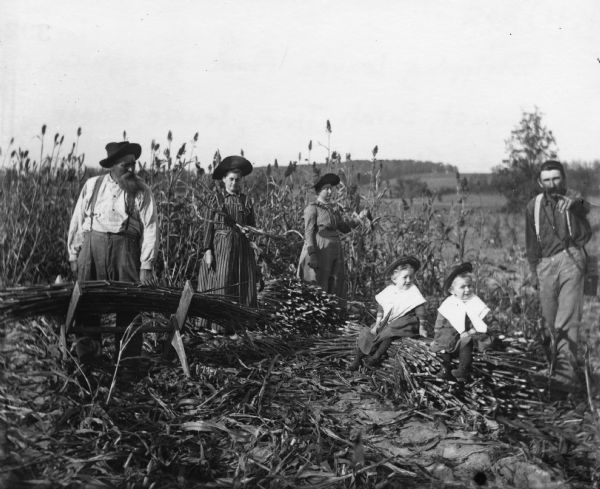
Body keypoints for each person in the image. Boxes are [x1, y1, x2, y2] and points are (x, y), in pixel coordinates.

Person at [67, 141, 158, 368]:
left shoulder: (141, 190)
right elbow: (78, 221)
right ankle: (90, 361)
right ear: (112, 166)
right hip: (92, 247)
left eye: (133, 165)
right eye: (124, 165)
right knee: (87, 303)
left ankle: (127, 363)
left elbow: (151, 227)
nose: (130, 170)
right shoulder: (92, 185)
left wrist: (146, 264)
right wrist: (73, 254)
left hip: (125, 250)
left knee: (128, 304)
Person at [525, 160, 592, 388]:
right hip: (545, 266)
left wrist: (574, 204)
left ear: (563, 178)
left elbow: (587, 207)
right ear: (539, 182)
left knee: (567, 321)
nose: (552, 184)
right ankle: (556, 369)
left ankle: (564, 382)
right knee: (551, 322)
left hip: (571, 260)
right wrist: (535, 271)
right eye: (547, 180)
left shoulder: (574, 199)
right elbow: (531, 243)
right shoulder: (532, 206)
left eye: (556, 178)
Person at [197, 155, 258, 333]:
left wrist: (249, 231)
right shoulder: (216, 200)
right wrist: (208, 250)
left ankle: (241, 324)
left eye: (237, 180)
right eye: (231, 179)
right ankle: (217, 326)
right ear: (224, 179)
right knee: (222, 282)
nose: (234, 183)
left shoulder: (246, 201)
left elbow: (252, 225)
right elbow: (208, 226)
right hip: (221, 246)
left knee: (243, 284)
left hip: (242, 249)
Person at [348, 256, 429, 370]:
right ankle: (357, 359)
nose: (408, 280)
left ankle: (376, 357)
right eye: (405, 277)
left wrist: (422, 328)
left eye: (411, 277)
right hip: (387, 321)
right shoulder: (390, 290)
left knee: (389, 333)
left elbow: (420, 310)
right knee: (368, 333)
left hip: (404, 323)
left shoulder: (413, 290)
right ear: (394, 278)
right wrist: (377, 324)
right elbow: (381, 307)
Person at [296, 173, 366, 300]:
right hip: (320, 251)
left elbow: (343, 227)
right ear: (319, 190)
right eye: (326, 188)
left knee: (334, 285)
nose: (330, 191)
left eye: (331, 188)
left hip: (334, 252)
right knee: (318, 284)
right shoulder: (312, 209)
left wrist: (359, 219)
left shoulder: (332, 210)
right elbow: (309, 233)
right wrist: (312, 255)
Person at [430, 263, 496, 382]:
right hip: (450, 335)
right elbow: (440, 321)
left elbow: (481, 321)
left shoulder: (474, 301)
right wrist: (438, 332)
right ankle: (445, 368)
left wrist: (471, 331)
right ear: (452, 290)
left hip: (468, 335)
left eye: (469, 286)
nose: (467, 290)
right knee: (443, 345)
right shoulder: (449, 303)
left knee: (467, 344)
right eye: (462, 287)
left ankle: (463, 369)